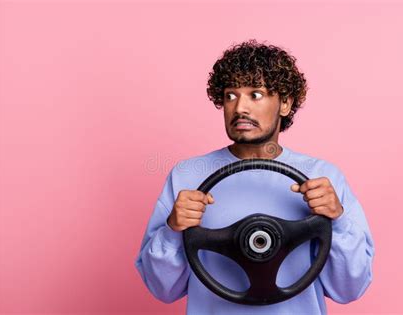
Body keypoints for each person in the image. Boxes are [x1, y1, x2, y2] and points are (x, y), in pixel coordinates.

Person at [134, 39, 375, 314]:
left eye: (256, 95)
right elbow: (161, 290)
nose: (239, 109)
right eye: (230, 95)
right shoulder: (186, 177)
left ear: (285, 103)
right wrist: (172, 230)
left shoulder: (322, 178)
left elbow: (350, 289)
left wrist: (339, 220)